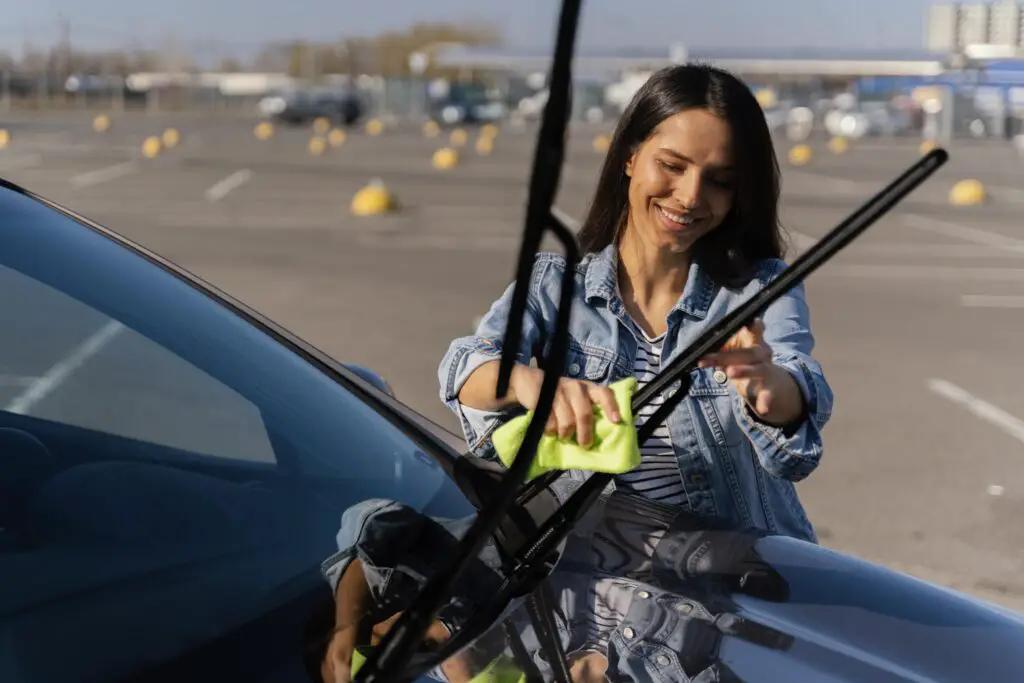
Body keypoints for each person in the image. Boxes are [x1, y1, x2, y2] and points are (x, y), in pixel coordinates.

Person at [438, 63, 834, 544]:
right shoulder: (554, 286)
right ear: (629, 155)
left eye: (720, 180)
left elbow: (795, 401)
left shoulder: (762, 289)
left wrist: (769, 393)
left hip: (737, 587)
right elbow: (465, 367)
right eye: (672, 166)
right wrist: (530, 383)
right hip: (598, 588)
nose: (690, 196)